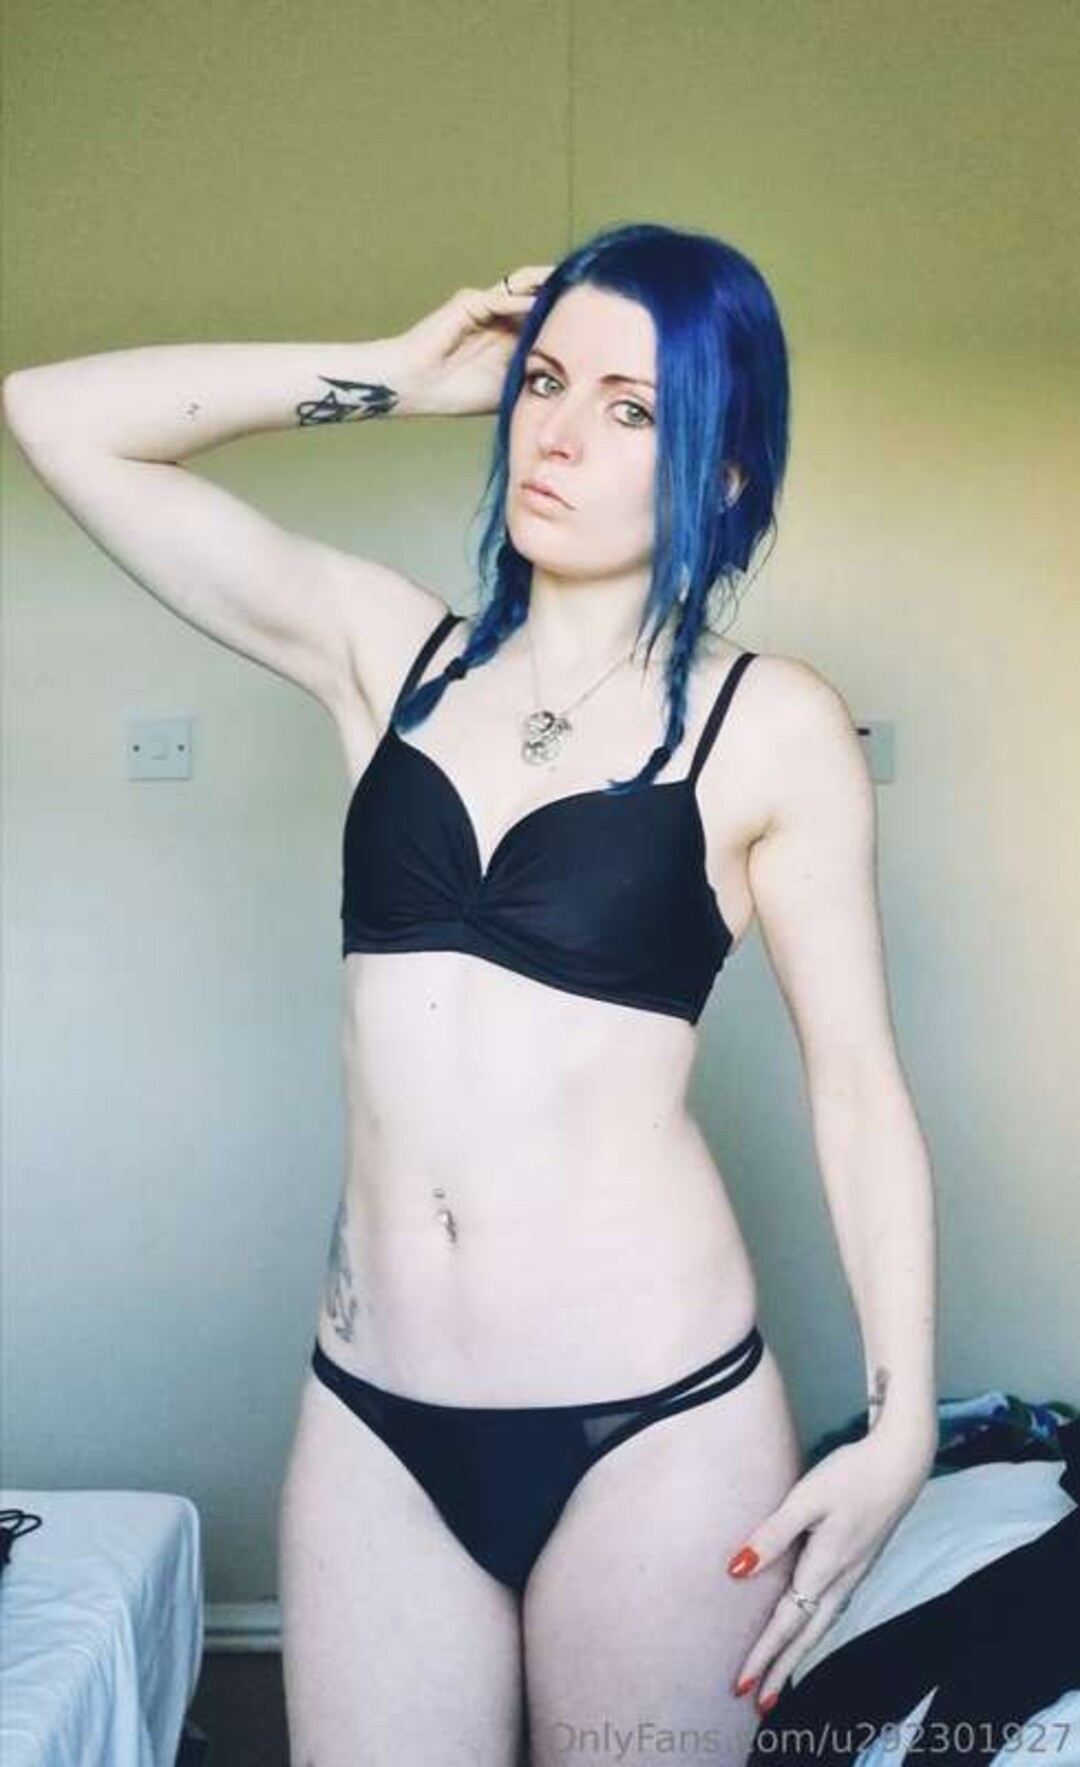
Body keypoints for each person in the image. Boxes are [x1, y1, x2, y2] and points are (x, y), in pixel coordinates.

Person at [2, 221, 939, 1767]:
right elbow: (54, 416)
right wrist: (394, 374)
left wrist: (903, 1424)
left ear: (721, 472)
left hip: (660, 1430)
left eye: (631, 409)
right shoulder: (388, 655)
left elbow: (857, 1088)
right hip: (374, 1421)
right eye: (545, 383)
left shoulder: (774, 727)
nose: (556, 435)